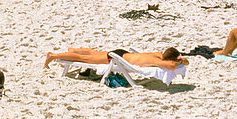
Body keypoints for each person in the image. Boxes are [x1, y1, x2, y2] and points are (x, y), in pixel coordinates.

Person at [45, 47, 187, 70]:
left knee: (93, 53)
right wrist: (180, 61)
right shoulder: (158, 61)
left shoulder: (157, 54)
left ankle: (73, 50)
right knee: (84, 59)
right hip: (116, 58)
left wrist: (179, 58)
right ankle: (54, 56)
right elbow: (172, 66)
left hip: (121, 53)